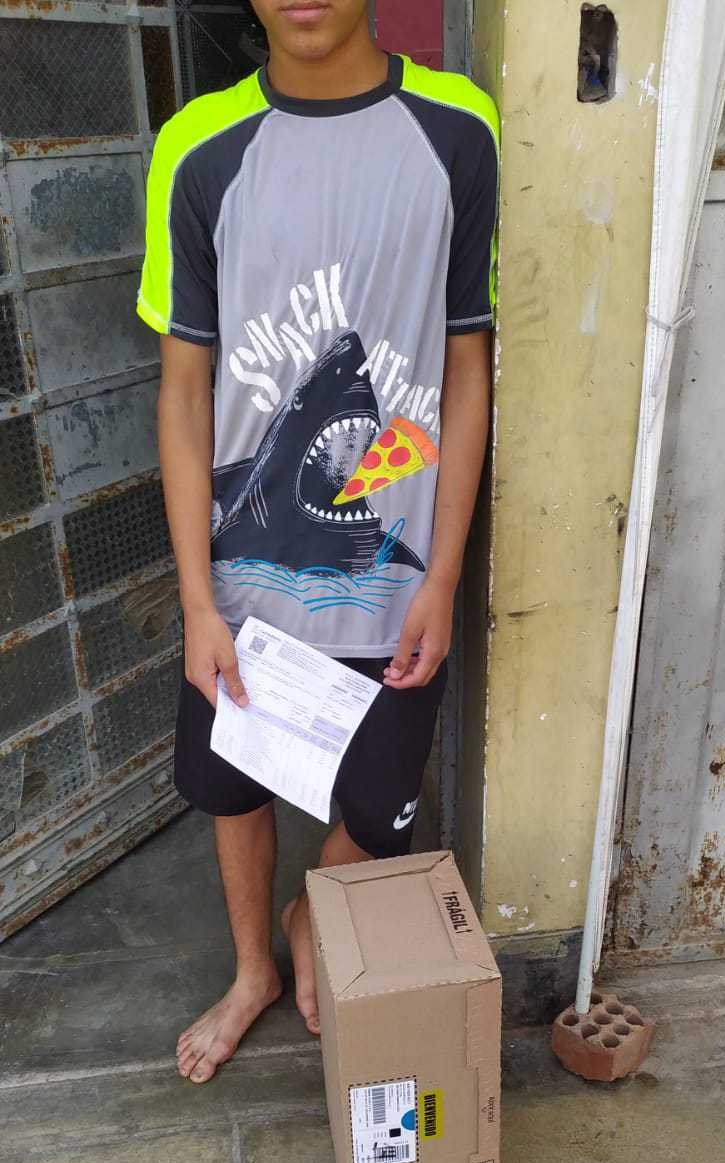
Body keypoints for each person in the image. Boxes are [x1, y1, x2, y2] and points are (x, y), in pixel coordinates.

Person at [137, 0, 498, 1082]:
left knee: (379, 816)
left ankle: (311, 908)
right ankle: (252, 968)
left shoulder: (457, 129)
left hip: (397, 584)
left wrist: (441, 573)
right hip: (241, 589)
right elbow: (184, 389)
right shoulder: (196, 147)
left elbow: (467, 364)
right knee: (234, 791)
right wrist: (198, 601)